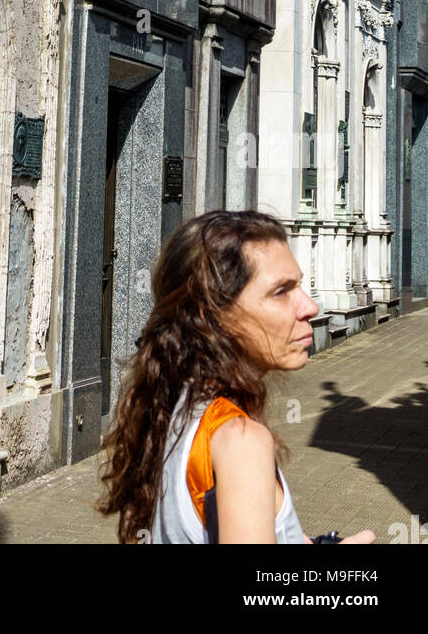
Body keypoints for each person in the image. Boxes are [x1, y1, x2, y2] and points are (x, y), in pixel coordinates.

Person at [98, 210, 376, 545]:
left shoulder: (172, 409)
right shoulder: (241, 442)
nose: (309, 307)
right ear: (213, 315)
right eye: (281, 292)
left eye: (299, 285)